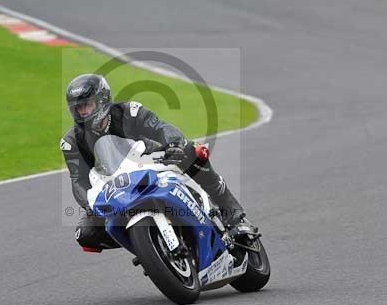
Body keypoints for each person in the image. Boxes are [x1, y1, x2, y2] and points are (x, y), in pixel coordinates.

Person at [60, 73, 257, 252]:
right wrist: (89, 204)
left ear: (102, 100)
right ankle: (149, 246)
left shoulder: (130, 112)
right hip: (115, 187)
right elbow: (78, 180)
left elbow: (160, 127)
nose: (83, 113)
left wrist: (174, 144)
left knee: (192, 151)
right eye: (78, 109)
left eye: (87, 106)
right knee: (86, 234)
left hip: (149, 161)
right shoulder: (71, 142)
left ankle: (233, 215)